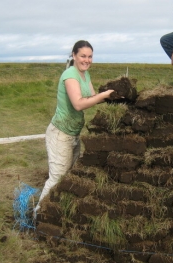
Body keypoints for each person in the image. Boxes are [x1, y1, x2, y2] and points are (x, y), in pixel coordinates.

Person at [34, 40, 115, 216]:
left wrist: (113, 95)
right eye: (83, 56)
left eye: (90, 56)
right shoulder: (70, 75)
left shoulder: (86, 75)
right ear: (74, 56)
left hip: (74, 133)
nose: (87, 60)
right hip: (60, 133)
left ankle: (57, 211)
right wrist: (102, 96)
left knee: (69, 174)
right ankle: (38, 215)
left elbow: (93, 97)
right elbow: (78, 104)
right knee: (57, 177)